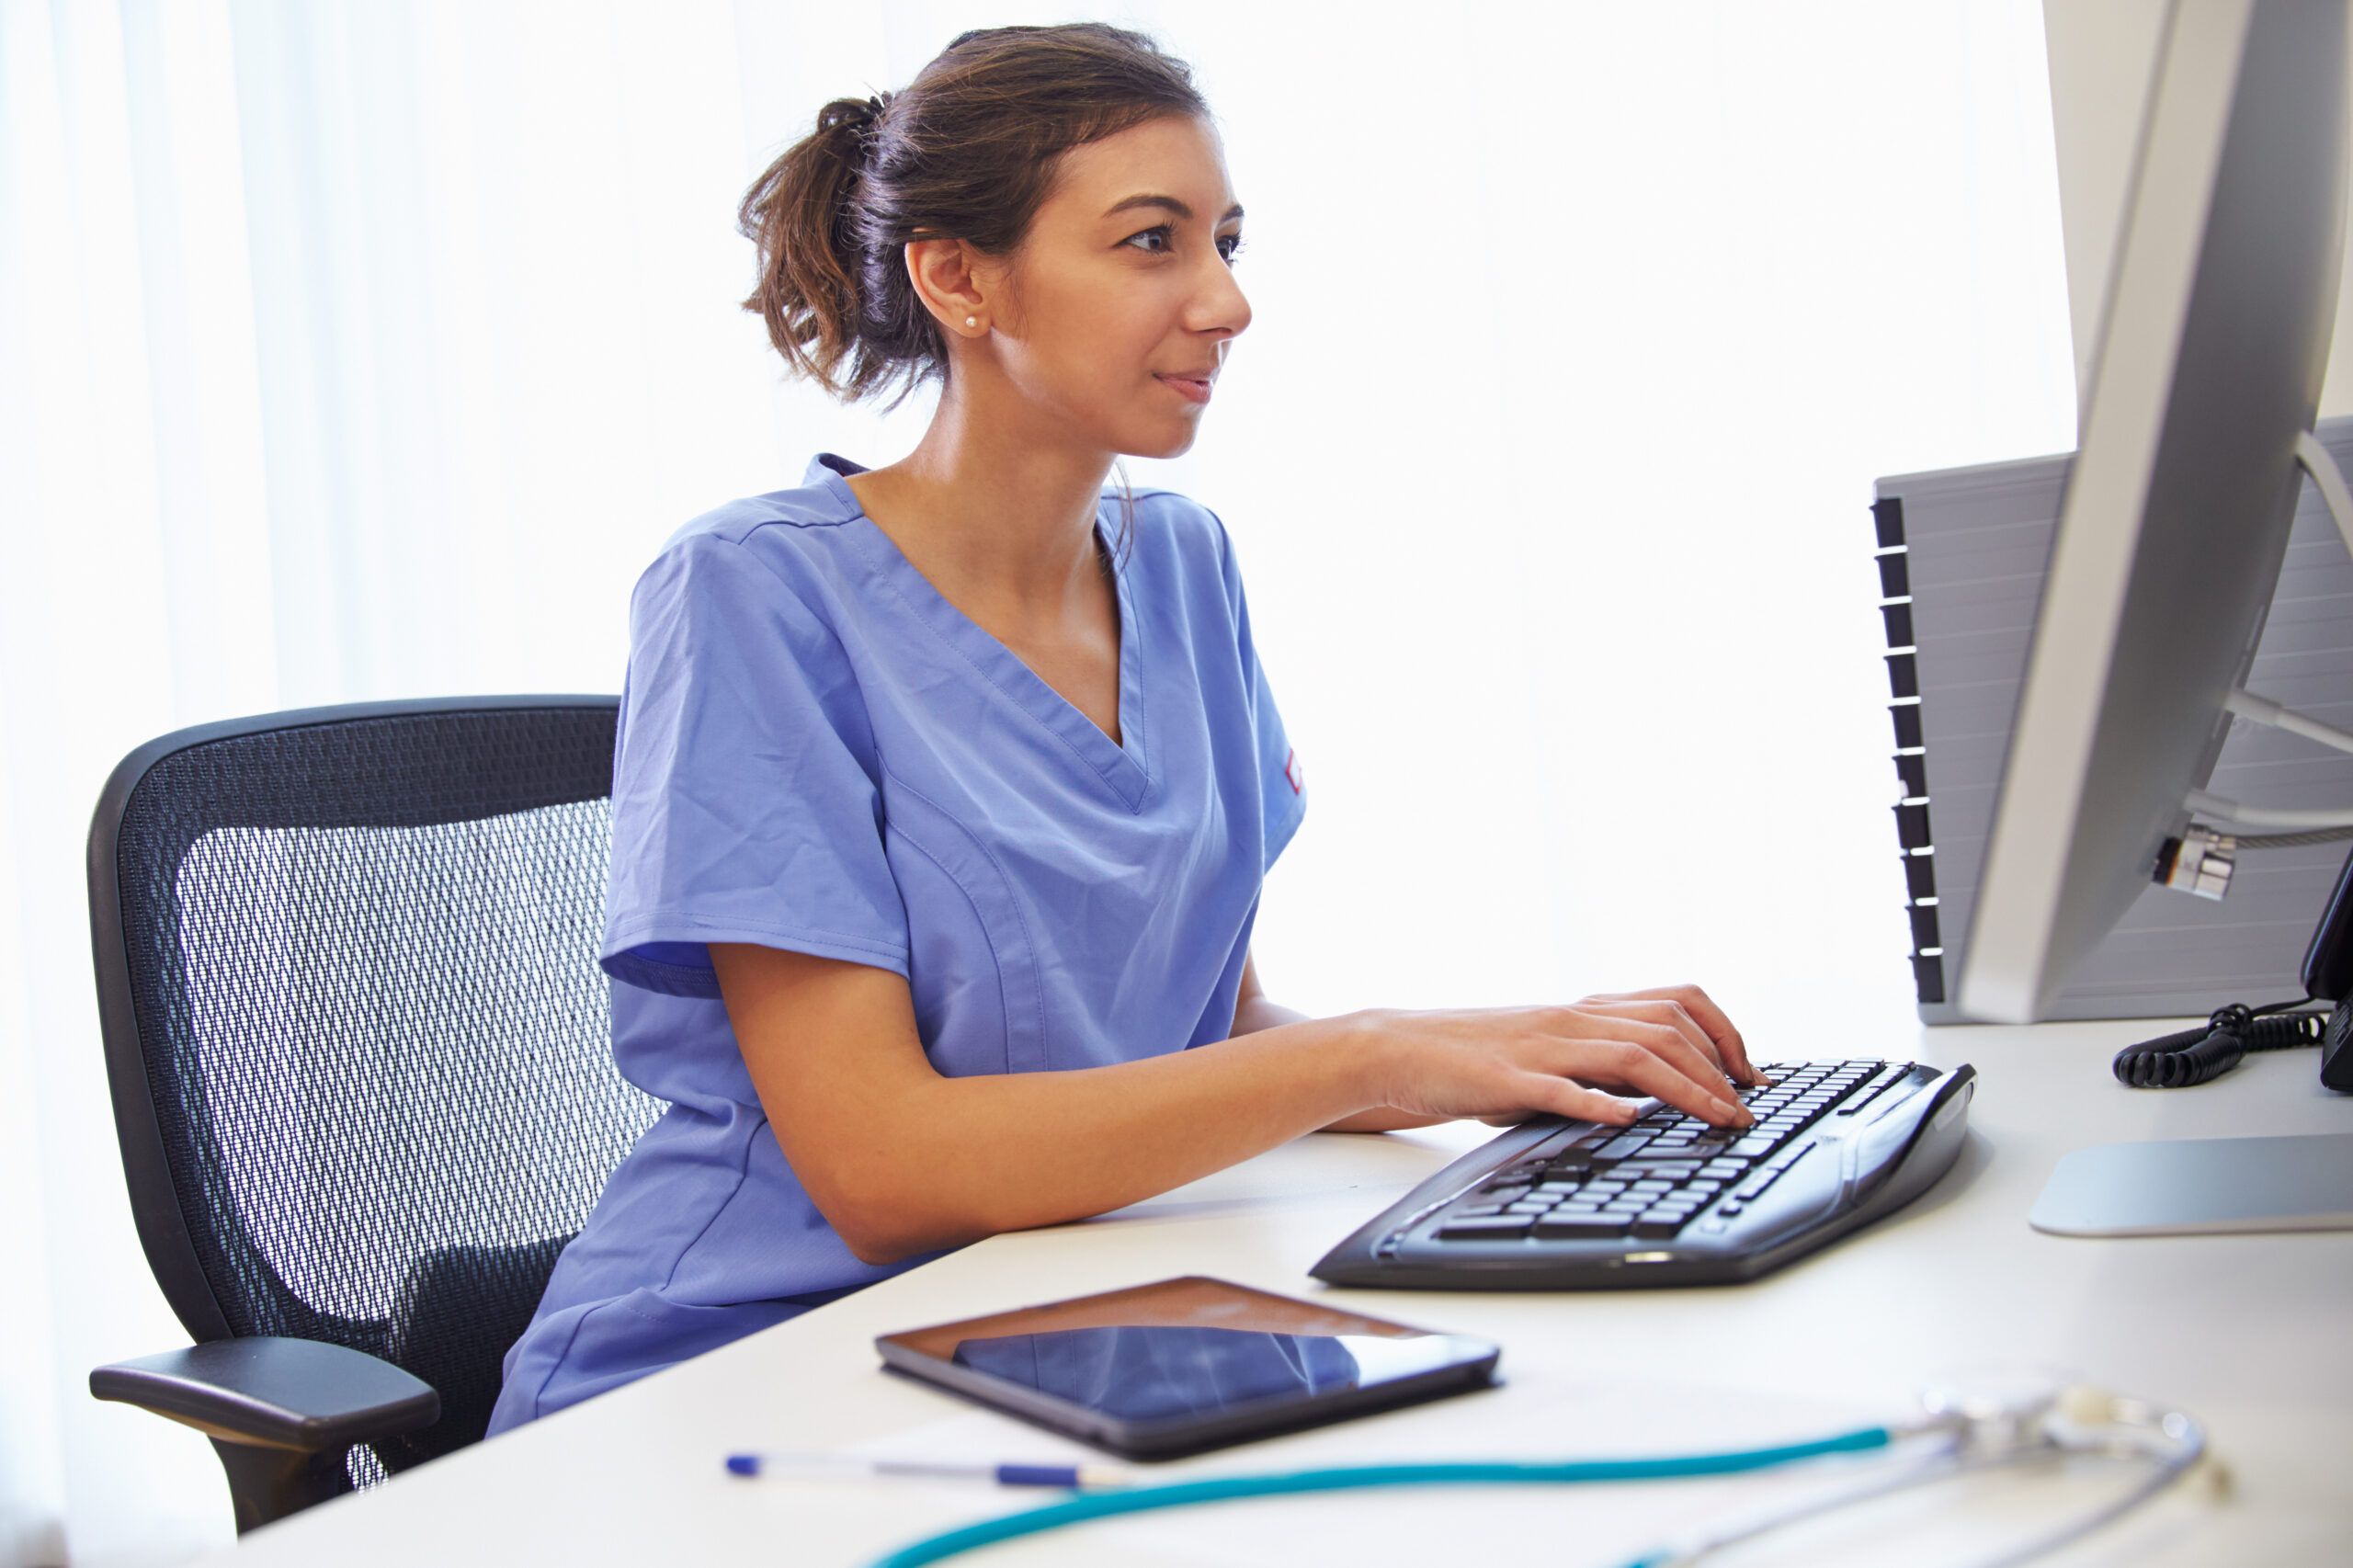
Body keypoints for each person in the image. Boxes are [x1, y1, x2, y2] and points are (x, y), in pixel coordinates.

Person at [488, 22, 1757, 1436]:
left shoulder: (1186, 564)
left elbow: (1215, 1024)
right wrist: (1372, 1052)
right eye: (1153, 242)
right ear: (959, 277)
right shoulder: (752, 591)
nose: (1226, 301)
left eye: (1227, 239)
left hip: (1071, 1314)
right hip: (743, 1368)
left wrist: (1497, 1053)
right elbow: (881, 1164)